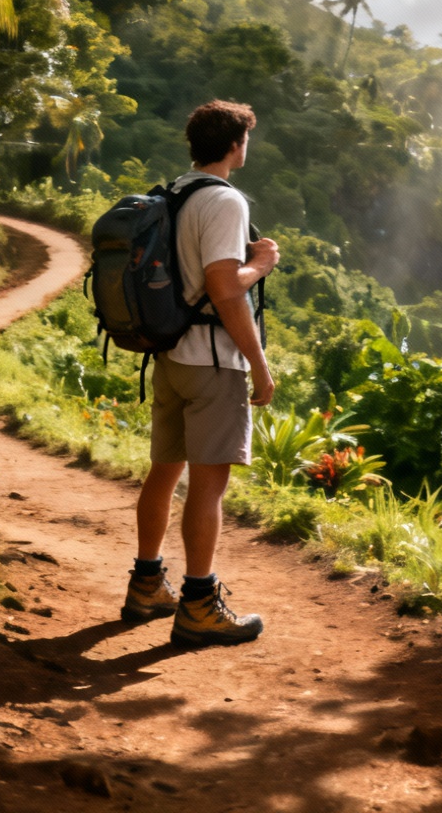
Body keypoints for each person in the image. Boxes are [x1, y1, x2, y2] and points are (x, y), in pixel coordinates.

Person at [120, 100, 278, 647]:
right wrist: (261, 265)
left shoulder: (174, 193)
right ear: (237, 146)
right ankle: (198, 604)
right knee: (208, 488)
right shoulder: (225, 201)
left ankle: (146, 586)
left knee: (164, 471)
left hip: (169, 353)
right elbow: (224, 287)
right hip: (212, 360)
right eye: (245, 140)